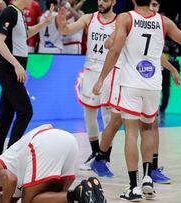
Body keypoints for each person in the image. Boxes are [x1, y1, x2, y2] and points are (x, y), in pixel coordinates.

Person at [92, 0, 181, 200]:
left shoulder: (125, 18)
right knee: (148, 129)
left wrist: (101, 78)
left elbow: (114, 49)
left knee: (131, 133)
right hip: (153, 85)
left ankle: (132, 187)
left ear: (133, 0)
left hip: (131, 83)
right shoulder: (163, 21)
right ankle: (147, 177)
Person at [0, 0, 55, 171]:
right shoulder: (9, 11)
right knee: (25, 111)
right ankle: (11, 158)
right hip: (9, 70)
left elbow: (26, 34)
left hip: (12, 69)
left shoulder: (19, 14)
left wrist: (45, 23)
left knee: (5, 117)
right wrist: (17, 65)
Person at [57, 0, 117, 171]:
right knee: (89, 114)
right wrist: (62, 24)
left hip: (110, 72)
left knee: (108, 117)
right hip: (90, 70)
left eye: (105, 0)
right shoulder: (89, 18)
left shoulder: (120, 21)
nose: (100, 2)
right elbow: (66, 30)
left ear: (113, 2)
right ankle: (95, 152)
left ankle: (105, 157)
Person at [0, 124, 107, 203]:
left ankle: (79, 194)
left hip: (45, 143)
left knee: (28, 201)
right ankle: (87, 190)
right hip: (68, 141)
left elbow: (10, 179)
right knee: (56, 198)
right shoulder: (17, 187)